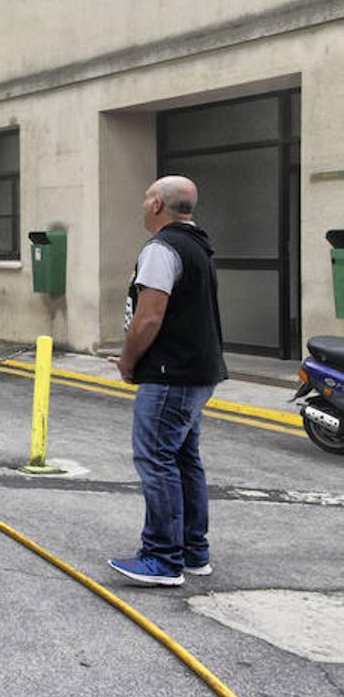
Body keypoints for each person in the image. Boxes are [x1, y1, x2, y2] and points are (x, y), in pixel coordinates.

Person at [107, 175, 226, 587]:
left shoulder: (162, 248)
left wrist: (127, 361)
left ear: (158, 204)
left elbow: (149, 316)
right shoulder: (197, 245)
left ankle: (162, 558)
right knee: (184, 460)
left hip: (170, 376)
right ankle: (194, 552)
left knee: (156, 460)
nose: (142, 205)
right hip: (198, 373)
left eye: (145, 198)